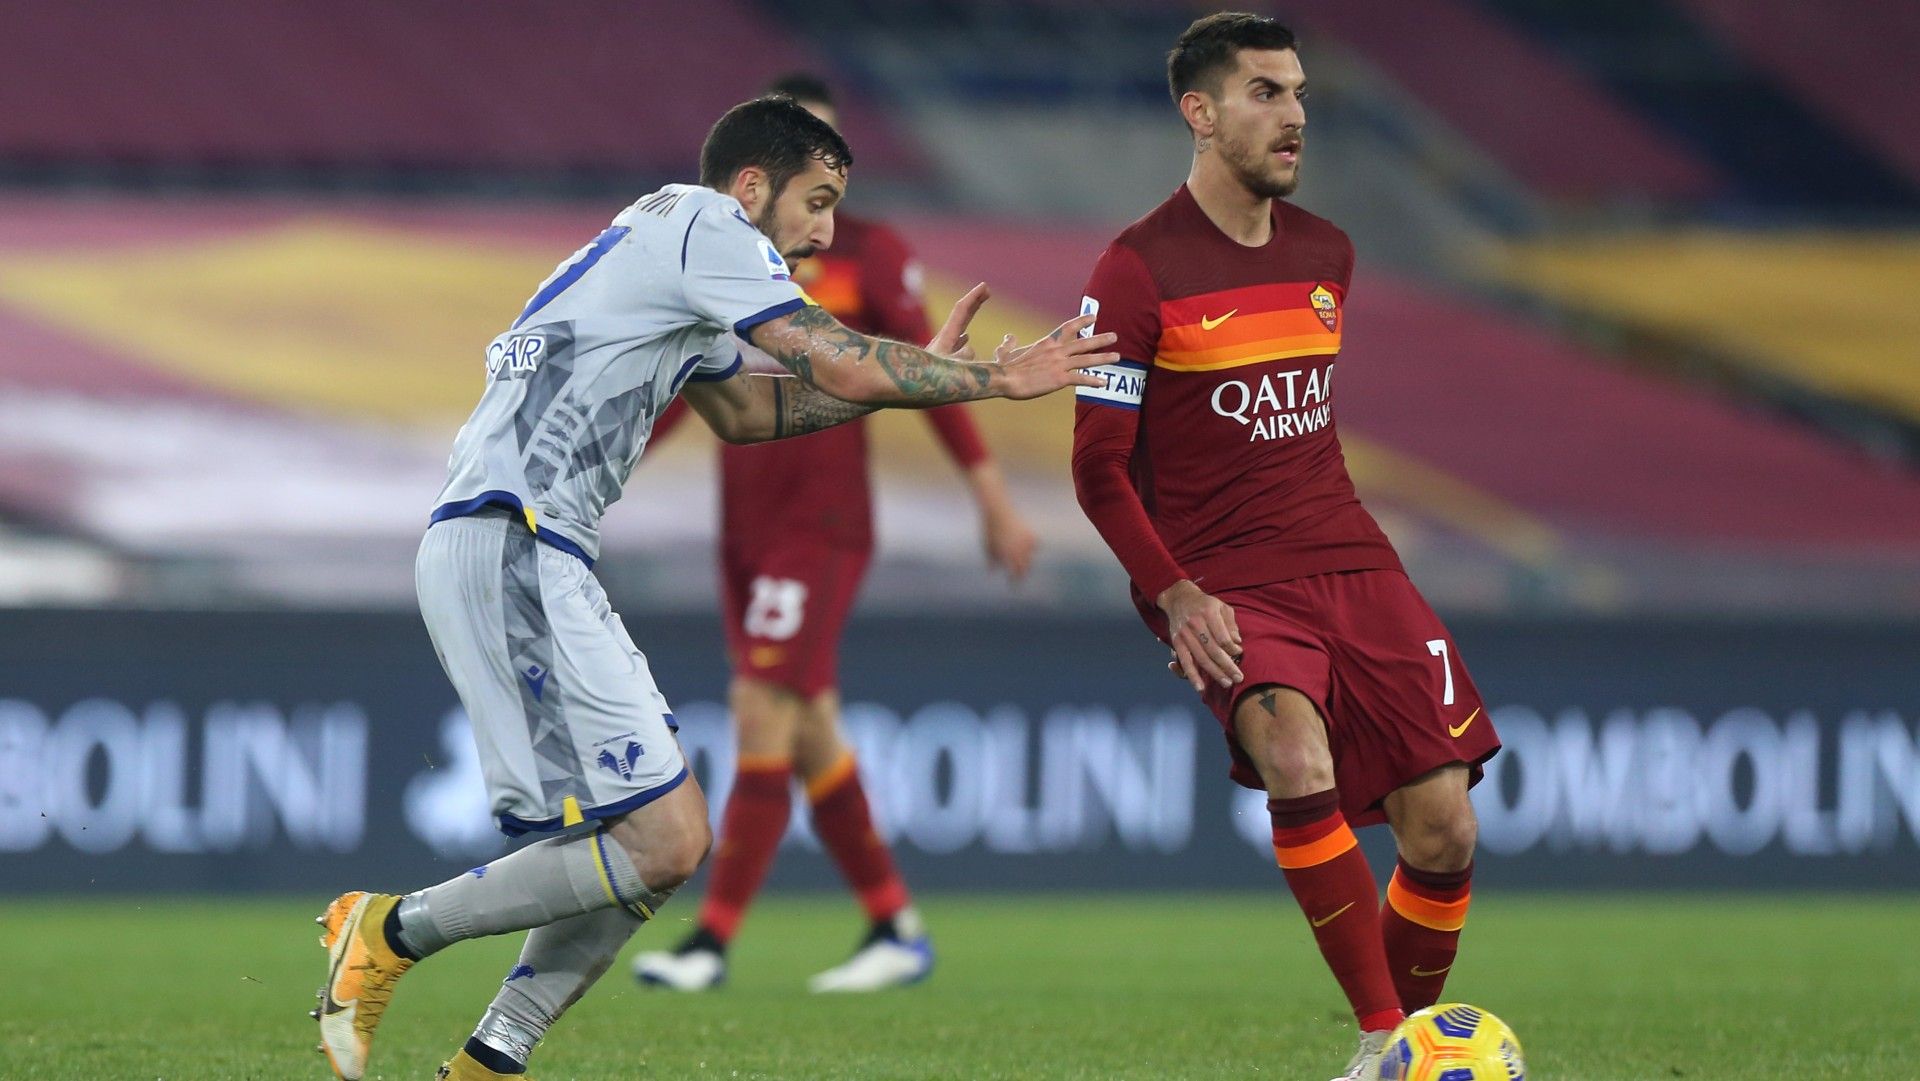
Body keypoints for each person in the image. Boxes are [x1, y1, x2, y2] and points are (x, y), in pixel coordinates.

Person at [312, 94, 1116, 1081]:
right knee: (662, 839)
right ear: (752, 185)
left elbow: (747, 410)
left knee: (662, 841)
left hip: (532, 548)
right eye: (816, 201)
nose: (825, 231)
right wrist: (990, 379)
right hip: (514, 539)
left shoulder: (664, 253)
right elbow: (837, 363)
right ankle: (389, 929)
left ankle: (488, 1060)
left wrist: (908, 376)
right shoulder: (707, 224)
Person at [1068, 14, 1500, 1081]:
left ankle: (1399, 1051)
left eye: (1300, 91)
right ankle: (1383, 1041)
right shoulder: (1133, 270)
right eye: (1265, 92)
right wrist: (1173, 593)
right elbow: (1098, 469)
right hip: (1223, 579)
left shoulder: (1327, 254)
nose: (1294, 113)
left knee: (1445, 827)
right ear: (1201, 113)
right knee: (1296, 760)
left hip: (1351, 556)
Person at [631, 73, 1034, 995]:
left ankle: (710, 941)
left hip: (820, 522)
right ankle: (894, 923)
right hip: (744, 520)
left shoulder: (868, 253)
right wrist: (614, 465)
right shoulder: (720, 260)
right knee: (809, 724)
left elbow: (926, 374)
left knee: (760, 706)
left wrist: (992, 497)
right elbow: (697, 385)